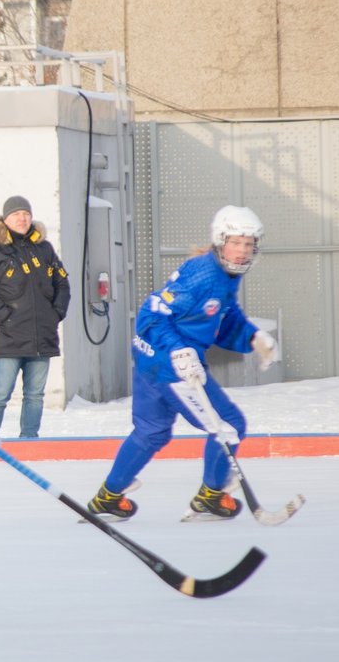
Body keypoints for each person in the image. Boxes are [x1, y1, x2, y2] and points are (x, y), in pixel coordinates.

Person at [86, 205, 280, 522]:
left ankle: (108, 497)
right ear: (220, 241)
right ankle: (210, 498)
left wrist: (252, 337)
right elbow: (152, 313)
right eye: (236, 242)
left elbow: (221, 317)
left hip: (150, 358)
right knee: (229, 425)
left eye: (248, 244)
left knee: (151, 432)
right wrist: (179, 351)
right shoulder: (205, 275)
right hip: (170, 364)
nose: (243, 251)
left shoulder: (224, 274)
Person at [0, 195, 71, 438]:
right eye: (16, 214)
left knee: (35, 396)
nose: (22, 218)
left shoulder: (43, 248)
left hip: (42, 336)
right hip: (9, 335)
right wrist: (4, 315)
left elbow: (62, 283)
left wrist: (55, 314)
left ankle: (29, 442)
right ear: (5, 219)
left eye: (26, 214)